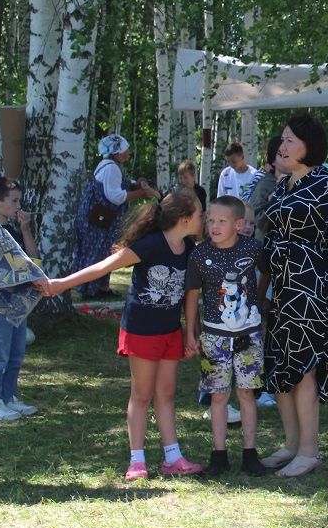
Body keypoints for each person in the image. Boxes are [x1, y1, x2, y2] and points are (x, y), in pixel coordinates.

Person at [38, 190, 205, 480]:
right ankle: (137, 461)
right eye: (201, 213)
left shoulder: (189, 247)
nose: (204, 218)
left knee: (166, 394)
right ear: (185, 217)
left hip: (169, 332)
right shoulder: (151, 244)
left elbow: (191, 295)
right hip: (141, 331)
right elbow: (105, 266)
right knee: (141, 395)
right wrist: (61, 285)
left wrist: (190, 334)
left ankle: (173, 457)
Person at [257, 114, 328, 478]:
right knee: (280, 366)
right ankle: (291, 443)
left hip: (312, 289)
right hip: (282, 289)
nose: (281, 146)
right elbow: (271, 242)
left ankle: (309, 451)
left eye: (289, 140)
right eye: (281, 140)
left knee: (303, 369)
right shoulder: (284, 185)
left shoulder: (326, 183)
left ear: (308, 147)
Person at [183, 196, 267, 477]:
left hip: (248, 336)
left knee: (246, 393)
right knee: (218, 395)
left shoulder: (254, 249)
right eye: (210, 220)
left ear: (238, 224)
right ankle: (218, 455)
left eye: (222, 221)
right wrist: (190, 333)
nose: (214, 226)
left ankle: (250, 454)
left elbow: (269, 274)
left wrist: (260, 305)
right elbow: (192, 296)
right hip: (214, 337)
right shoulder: (198, 255)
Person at [0, 177, 39, 422]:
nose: (18, 206)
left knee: (15, 353)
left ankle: (8, 396)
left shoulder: (13, 229)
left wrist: (25, 231)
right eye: (14, 201)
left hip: (19, 301)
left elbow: (33, 261)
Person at [73, 134, 159, 296]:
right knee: (99, 251)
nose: (128, 153)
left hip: (98, 219)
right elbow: (116, 196)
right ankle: (93, 289)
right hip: (100, 221)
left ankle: (95, 287)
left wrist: (135, 184)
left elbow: (117, 185)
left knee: (99, 251)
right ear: (117, 152)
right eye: (126, 149)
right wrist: (141, 193)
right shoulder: (111, 167)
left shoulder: (108, 165)